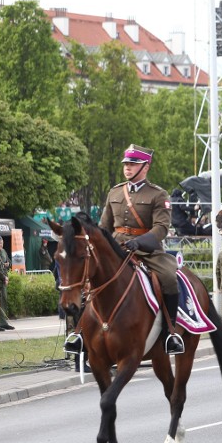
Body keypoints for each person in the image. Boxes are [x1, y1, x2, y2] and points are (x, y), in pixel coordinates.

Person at [67, 144, 184, 354]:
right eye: (126, 164)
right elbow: (104, 226)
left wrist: (141, 242)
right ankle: (80, 334)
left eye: (133, 164)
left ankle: (170, 333)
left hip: (147, 250)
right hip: (115, 248)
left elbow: (161, 227)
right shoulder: (115, 192)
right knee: (88, 278)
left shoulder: (158, 194)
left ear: (145, 167)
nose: (127, 168)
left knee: (168, 277)